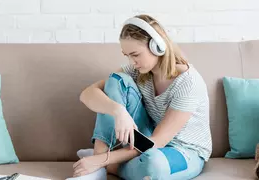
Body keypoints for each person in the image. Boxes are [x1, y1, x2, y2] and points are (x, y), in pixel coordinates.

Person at [66, 14, 212, 180]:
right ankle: (100, 163)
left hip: (183, 151)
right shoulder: (137, 71)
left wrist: (100, 160)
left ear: (157, 46)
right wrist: (118, 111)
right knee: (116, 79)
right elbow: (87, 94)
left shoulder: (188, 82)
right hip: (145, 142)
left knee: (154, 165)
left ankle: (104, 163)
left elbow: (158, 141)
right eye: (127, 55)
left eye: (135, 54)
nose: (132, 61)